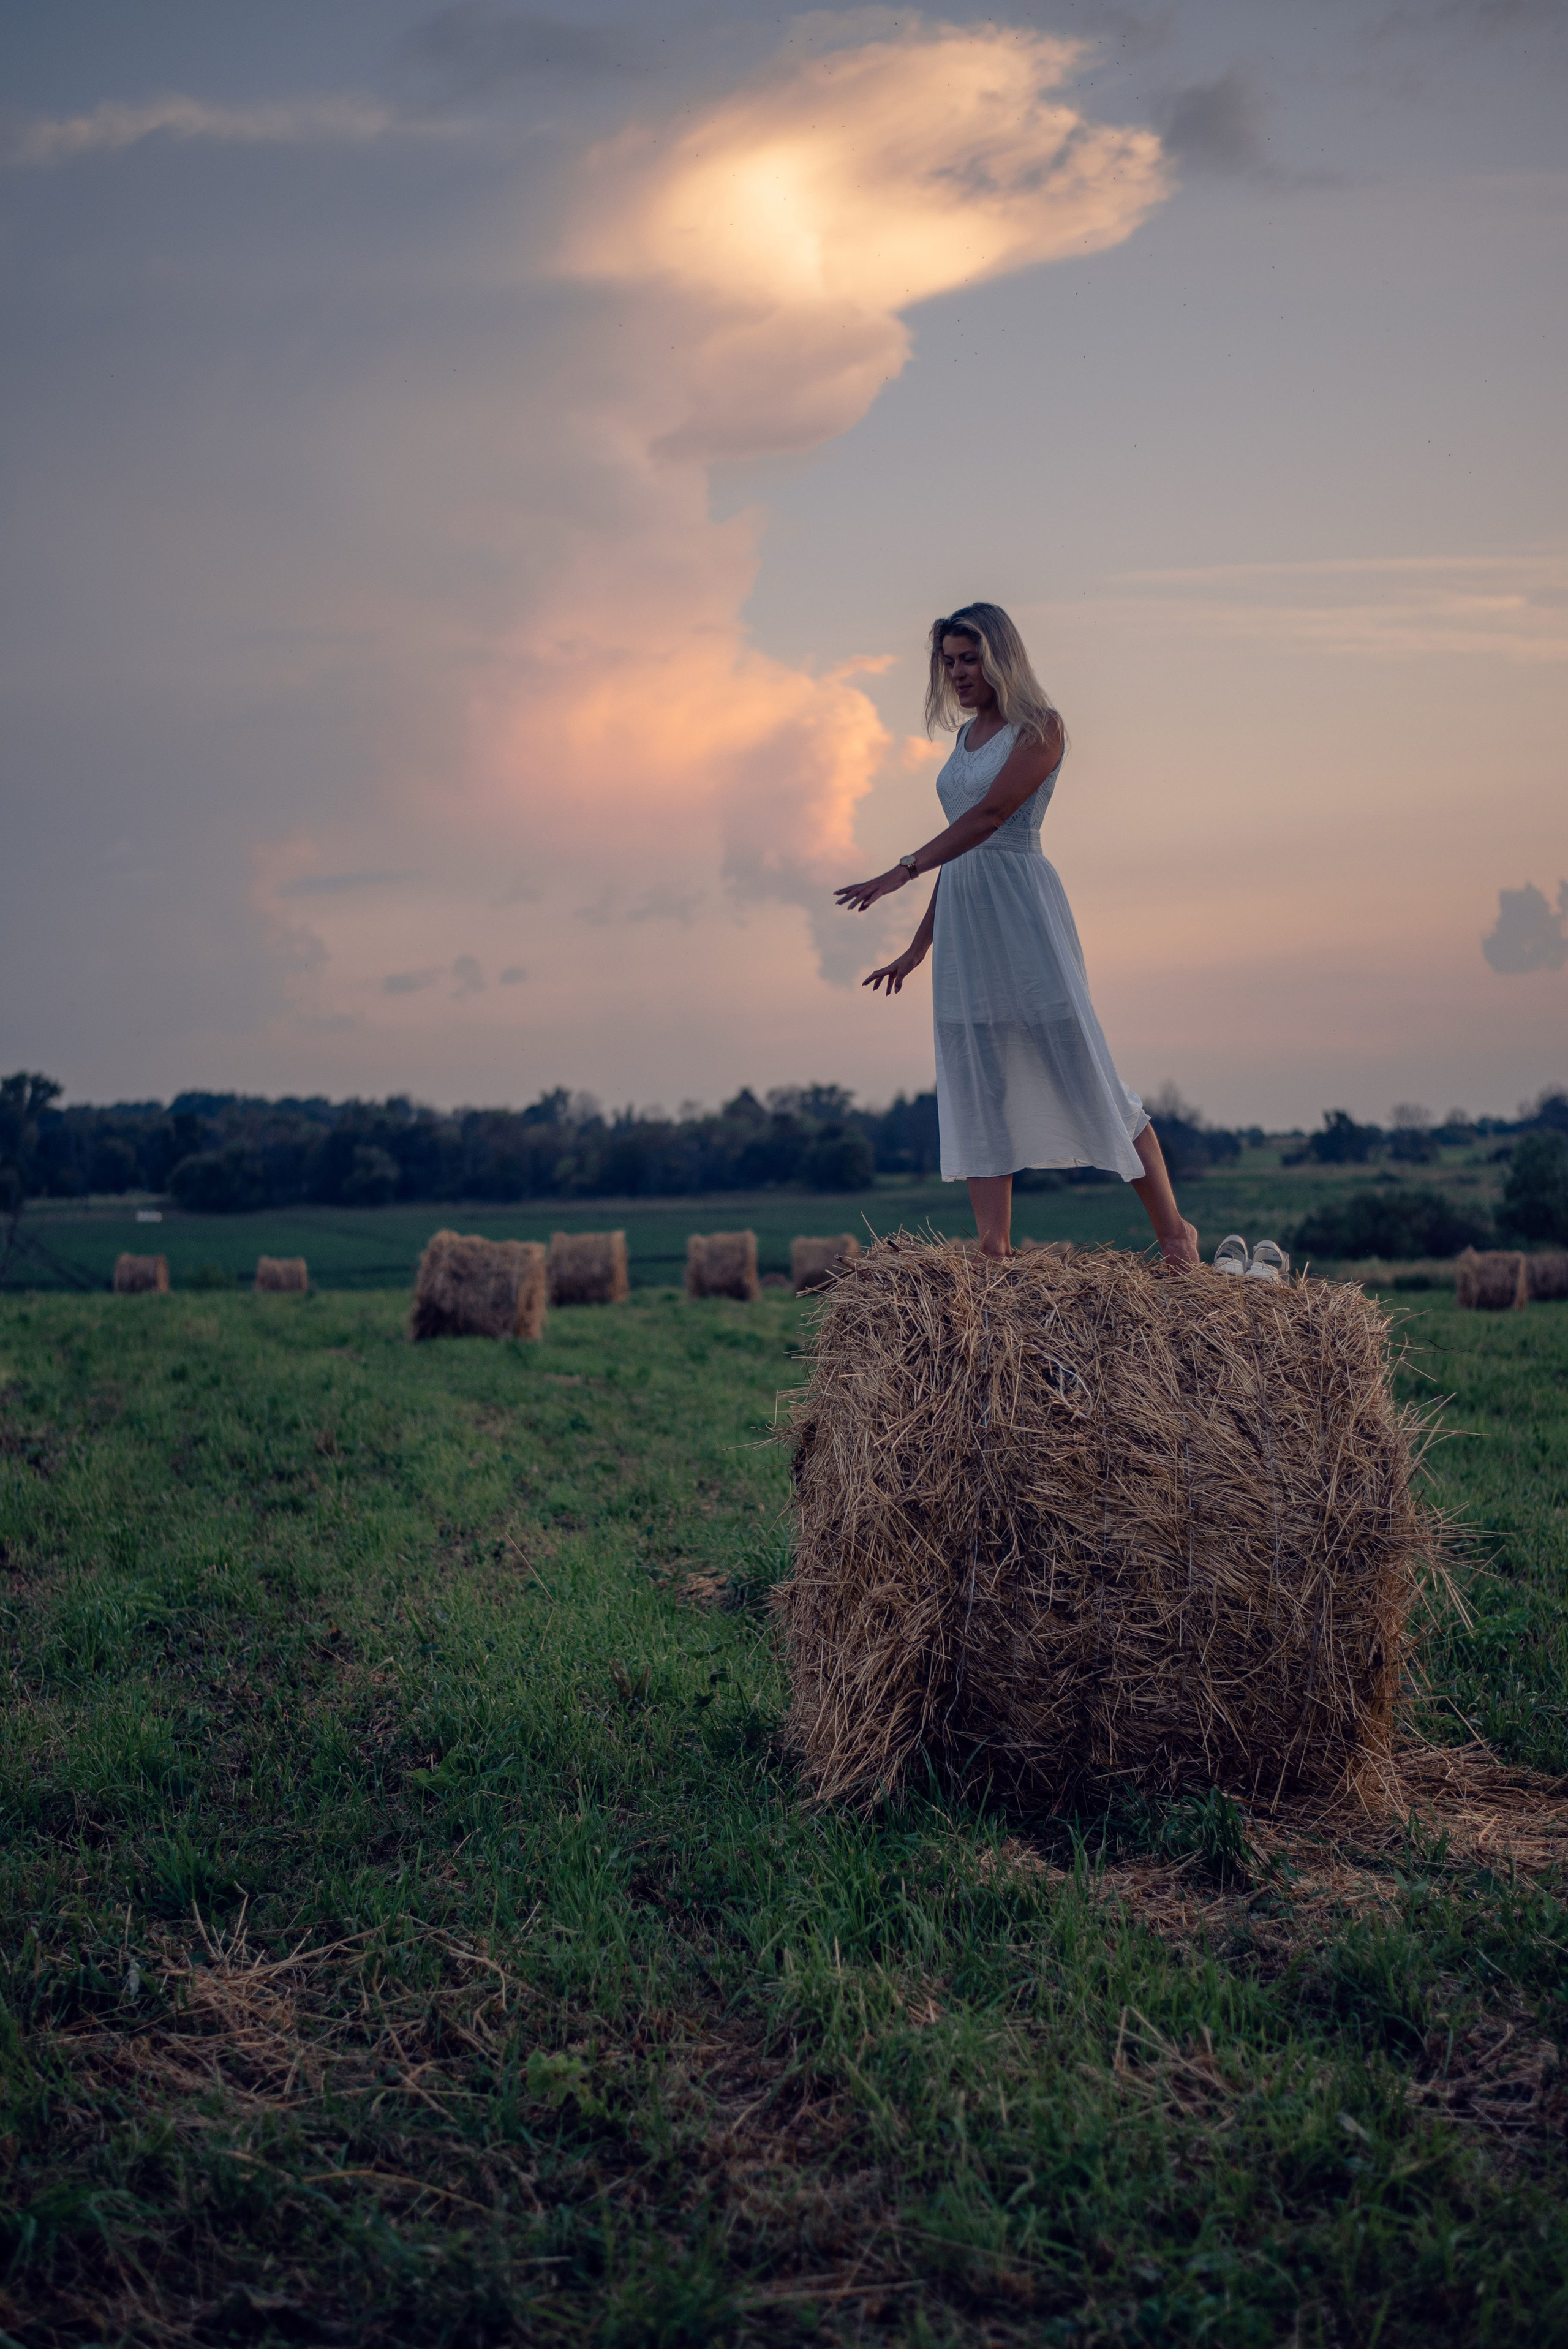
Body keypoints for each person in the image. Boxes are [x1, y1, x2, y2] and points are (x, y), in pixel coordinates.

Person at [835, 601, 1199, 1268]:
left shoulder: (1041, 728)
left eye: (969, 658)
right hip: (968, 924)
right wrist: (919, 947)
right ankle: (993, 1251)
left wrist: (902, 869)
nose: (957, 673)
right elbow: (961, 852)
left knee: (1084, 1064)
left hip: (1024, 913)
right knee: (978, 1073)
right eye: (947, 662)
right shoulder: (963, 739)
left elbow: (993, 818)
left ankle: (1176, 1234)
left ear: (1001, 656)